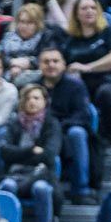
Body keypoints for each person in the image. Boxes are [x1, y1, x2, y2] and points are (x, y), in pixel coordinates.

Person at [0, 83, 62, 222]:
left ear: (45, 101)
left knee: (41, 188)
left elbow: (49, 154)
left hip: (41, 174)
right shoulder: (14, 122)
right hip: (13, 174)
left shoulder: (51, 123)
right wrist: (31, 150)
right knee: (7, 186)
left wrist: (19, 153)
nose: (31, 101)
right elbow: (4, 152)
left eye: (36, 98)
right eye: (27, 98)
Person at [64, 0, 111, 150]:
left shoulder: (109, 31)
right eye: (84, 8)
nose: (89, 11)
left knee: (105, 93)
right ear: (76, 14)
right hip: (82, 87)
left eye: (93, 8)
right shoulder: (70, 40)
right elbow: (63, 63)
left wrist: (88, 67)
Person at [38, 48, 95, 203]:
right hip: (40, 132)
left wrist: (58, 127)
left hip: (67, 129)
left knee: (77, 133)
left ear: (63, 64)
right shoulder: (33, 86)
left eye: (55, 61)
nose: (51, 65)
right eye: (46, 61)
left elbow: (83, 114)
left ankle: (81, 190)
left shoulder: (76, 85)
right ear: (39, 65)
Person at [0, 3, 51, 81]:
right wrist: (12, 62)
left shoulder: (45, 38)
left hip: (35, 78)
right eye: (22, 21)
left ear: (38, 24)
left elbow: (46, 60)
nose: (24, 26)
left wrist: (29, 63)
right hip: (6, 75)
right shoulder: (8, 36)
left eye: (29, 22)